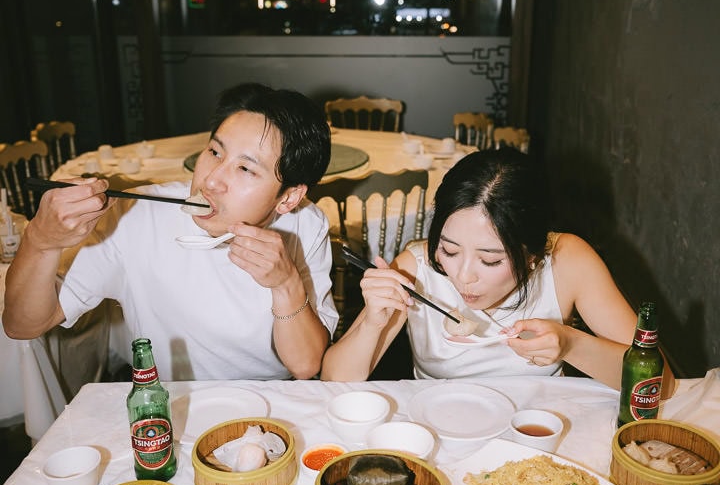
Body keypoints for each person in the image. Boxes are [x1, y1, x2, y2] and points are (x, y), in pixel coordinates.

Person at [3, 83, 338, 381]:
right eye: (214, 152)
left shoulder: (305, 225)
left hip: (268, 412)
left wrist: (286, 283)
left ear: (289, 197)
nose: (211, 180)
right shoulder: (137, 215)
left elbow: (306, 366)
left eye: (246, 168)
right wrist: (41, 241)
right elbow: (23, 325)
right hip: (172, 410)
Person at [321, 147, 675, 395]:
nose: (463, 275)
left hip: (539, 432)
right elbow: (334, 382)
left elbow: (660, 382)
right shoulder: (416, 268)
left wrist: (571, 344)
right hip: (441, 430)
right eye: (449, 249)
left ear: (533, 255)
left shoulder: (568, 259)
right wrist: (372, 320)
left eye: (491, 260)